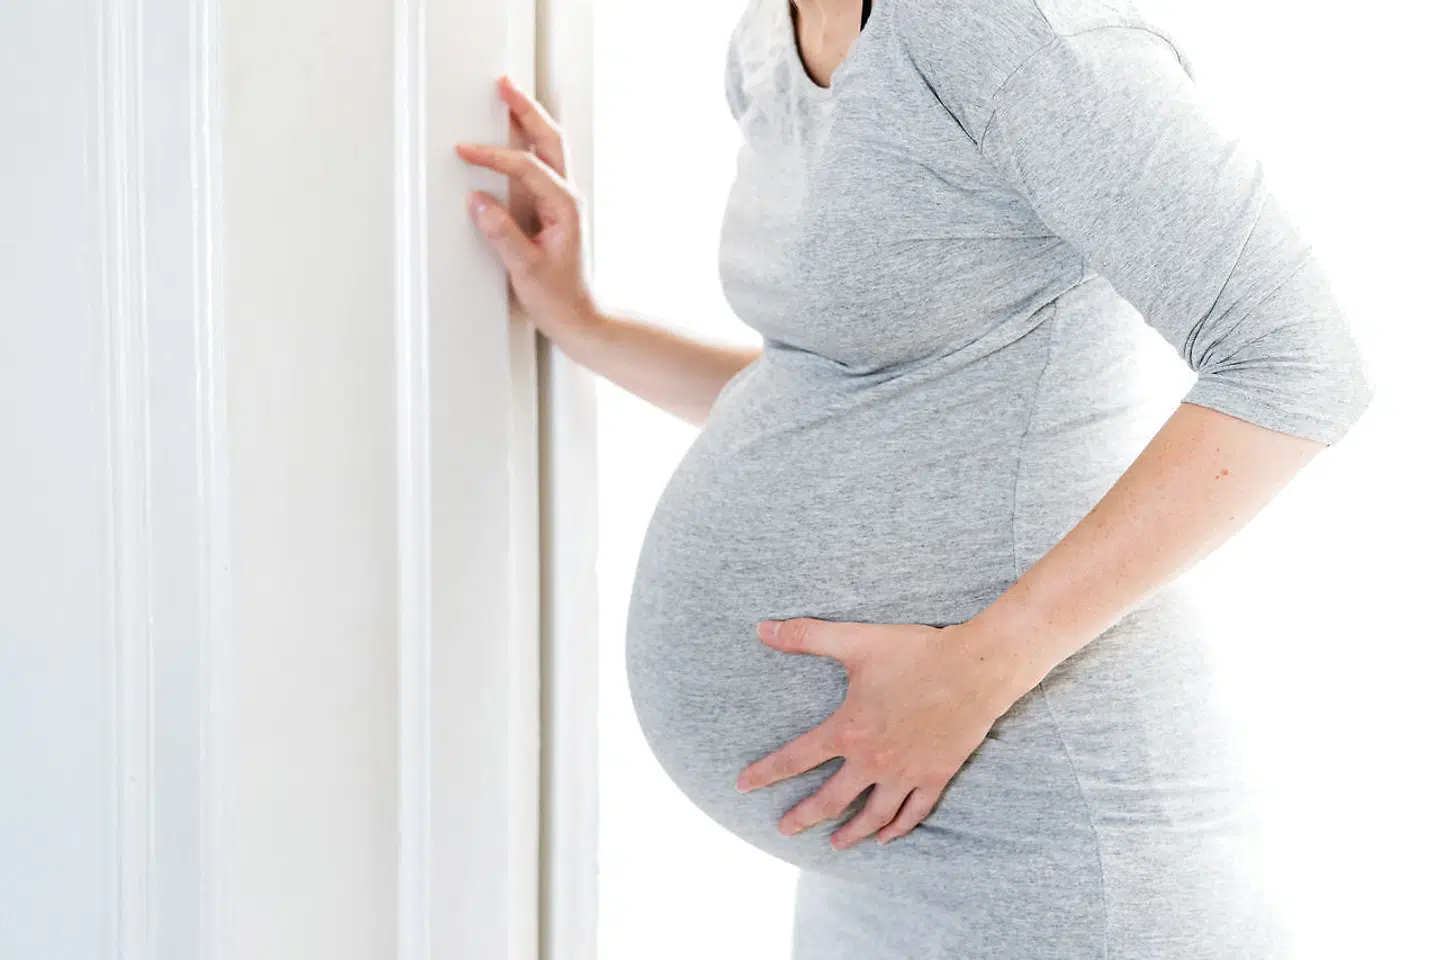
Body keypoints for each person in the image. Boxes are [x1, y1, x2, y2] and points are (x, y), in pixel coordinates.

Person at [455, 0, 1376, 955]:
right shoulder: (769, 40)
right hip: (872, 843)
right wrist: (585, 323)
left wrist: (977, 671)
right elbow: (845, 390)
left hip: (1049, 839)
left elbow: (1299, 360)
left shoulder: (1002, 29)